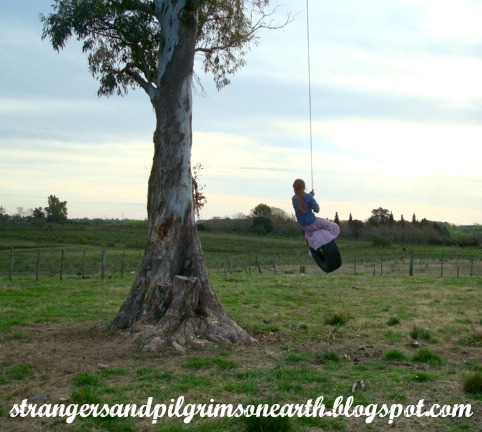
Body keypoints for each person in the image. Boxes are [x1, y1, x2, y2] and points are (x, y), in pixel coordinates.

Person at [292, 178, 342, 273]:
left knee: (308, 234)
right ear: (304, 187)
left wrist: (310, 197)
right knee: (333, 226)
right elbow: (317, 210)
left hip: (304, 226)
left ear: (294, 188)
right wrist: (312, 199)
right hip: (313, 223)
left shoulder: (294, 199)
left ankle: (311, 249)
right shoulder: (309, 198)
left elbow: (302, 201)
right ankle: (329, 241)